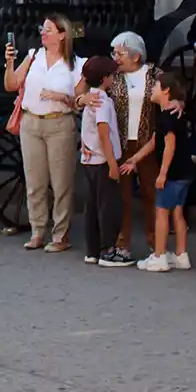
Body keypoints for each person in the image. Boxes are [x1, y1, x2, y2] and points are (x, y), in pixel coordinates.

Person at [4, 14, 84, 252]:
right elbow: (11, 85)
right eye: (43, 28)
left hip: (59, 124)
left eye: (48, 29)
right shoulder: (33, 56)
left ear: (62, 35)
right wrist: (9, 63)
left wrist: (60, 97)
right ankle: (37, 231)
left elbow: (80, 102)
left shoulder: (76, 64)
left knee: (61, 183)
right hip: (31, 122)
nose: (43, 32)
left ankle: (61, 235)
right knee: (34, 181)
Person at [81, 31, 160, 258]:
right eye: (113, 52)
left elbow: (172, 94)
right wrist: (82, 99)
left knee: (151, 193)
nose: (115, 57)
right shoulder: (111, 77)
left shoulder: (155, 74)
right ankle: (121, 244)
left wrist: (178, 102)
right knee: (121, 196)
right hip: (120, 146)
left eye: (120, 52)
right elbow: (82, 96)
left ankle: (156, 243)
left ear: (136, 56)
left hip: (147, 144)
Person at [127, 72, 196, 273]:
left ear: (165, 90)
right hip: (186, 172)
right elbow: (154, 141)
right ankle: (181, 255)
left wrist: (163, 173)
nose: (151, 90)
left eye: (154, 86)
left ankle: (159, 256)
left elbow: (169, 144)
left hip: (173, 173)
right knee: (178, 212)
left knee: (161, 213)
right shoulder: (174, 114)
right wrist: (136, 159)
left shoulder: (167, 117)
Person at [77, 55, 129, 267]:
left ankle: (92, 250)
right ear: (105, 78)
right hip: (102, 161)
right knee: (108, 206)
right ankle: (108, 250)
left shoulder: (90, 97)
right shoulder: (104, 102)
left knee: (92, 206)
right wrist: (113, 164)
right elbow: (103, 133)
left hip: (89, 160)